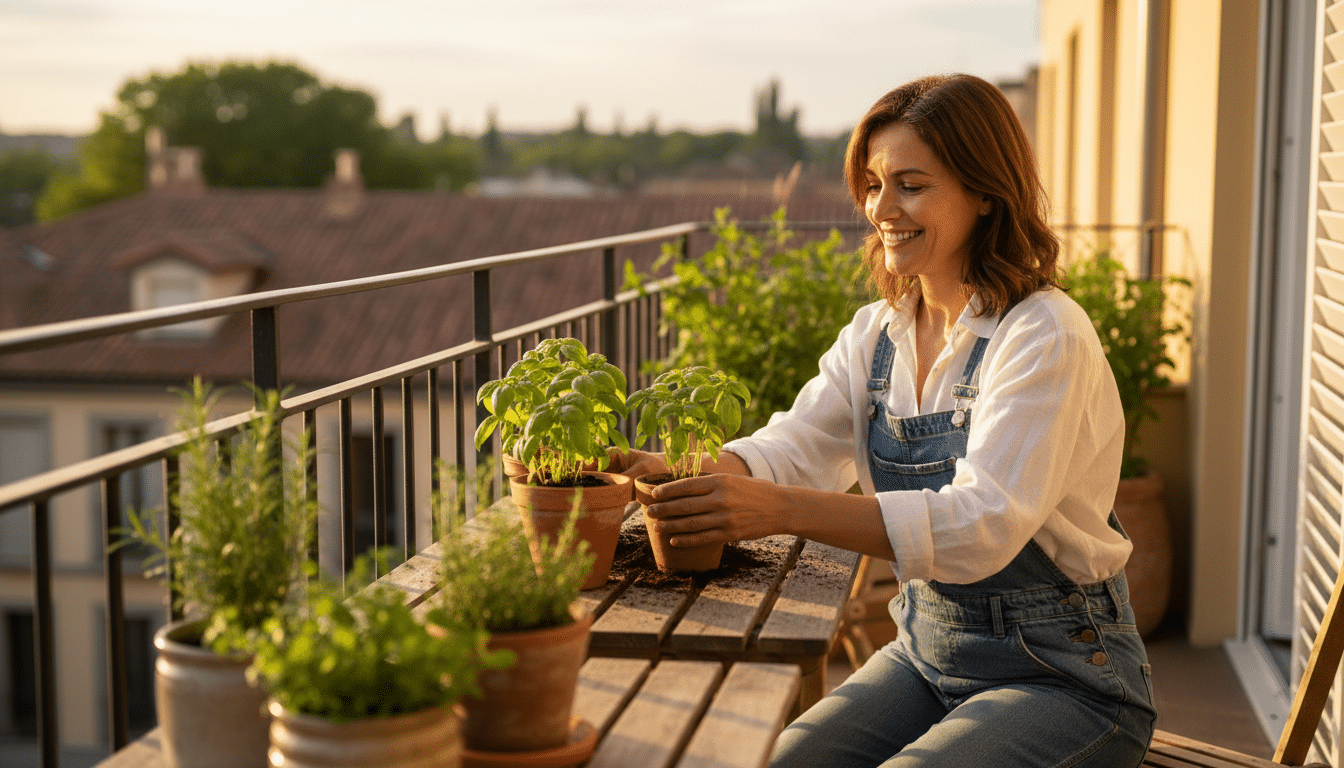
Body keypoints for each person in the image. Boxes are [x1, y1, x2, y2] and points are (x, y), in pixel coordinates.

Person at [607, 73, 1156, 767]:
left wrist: (773, 510)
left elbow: (982, 524)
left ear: (985, 192)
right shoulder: (880, 333)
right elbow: (797, 444)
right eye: (872, 184)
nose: (881, 208)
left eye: (911, 184)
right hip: (927, 654)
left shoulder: (1044, 335)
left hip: (1067, 680)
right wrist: (679, 470)